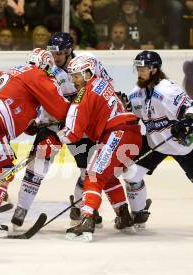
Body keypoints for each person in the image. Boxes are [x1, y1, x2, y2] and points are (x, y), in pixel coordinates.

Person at [11, 32, 111, 227]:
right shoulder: (48, 70)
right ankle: (21, 209)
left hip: (80, 127)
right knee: (37, 168)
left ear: (68, 51)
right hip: (53, 125)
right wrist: (33, 120)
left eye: (58, 54)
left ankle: (79, 207)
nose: (54, 58)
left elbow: (105, 86)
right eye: (52, 53)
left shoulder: (88, 64)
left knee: (89, 170)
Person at [0, 48, 69, 234]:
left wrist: (31, 124)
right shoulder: (38, 74)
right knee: (4, 169)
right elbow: (61, 110)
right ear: (45, 65)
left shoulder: (16, 70)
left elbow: (14, 102)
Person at [57, 54, 142, 241]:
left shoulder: (85, 93)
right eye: (72, 76)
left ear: (88, 73)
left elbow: (73, 133)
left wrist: (58, 136)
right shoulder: (104, 83)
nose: (74, 81)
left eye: (77, 76)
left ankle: (87, 219)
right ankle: (124, 215)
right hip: (132, 135)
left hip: (117, 135)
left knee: (93, 175)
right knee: (108, 177)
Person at [124, 51, 193, 229]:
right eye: (137, 68)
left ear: (155, 69)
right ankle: (138, 213)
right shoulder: (135, 94)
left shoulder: (167, 90)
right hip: (156, 145)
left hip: (183, 145)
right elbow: (130, 120)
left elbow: (190, 107)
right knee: (131, 173)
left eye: (143, 68)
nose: (139, 72)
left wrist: (186, 121)